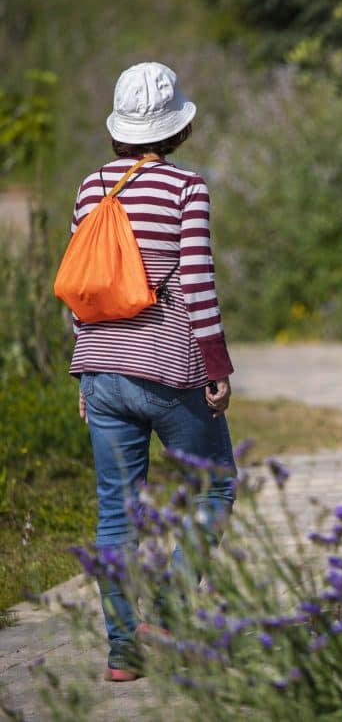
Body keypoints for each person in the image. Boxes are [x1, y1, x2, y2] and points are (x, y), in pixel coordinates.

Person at [69, 62, 236, 682]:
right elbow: (196, 283)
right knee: (214, 488)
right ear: (177, 127)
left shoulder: (91, 189)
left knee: (116, 514)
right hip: (171, 369)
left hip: (102, 373)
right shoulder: (185, 189)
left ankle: (122, 652)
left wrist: (83, 370)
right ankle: (165, 608)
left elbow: (81, 288)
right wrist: (215, 367)